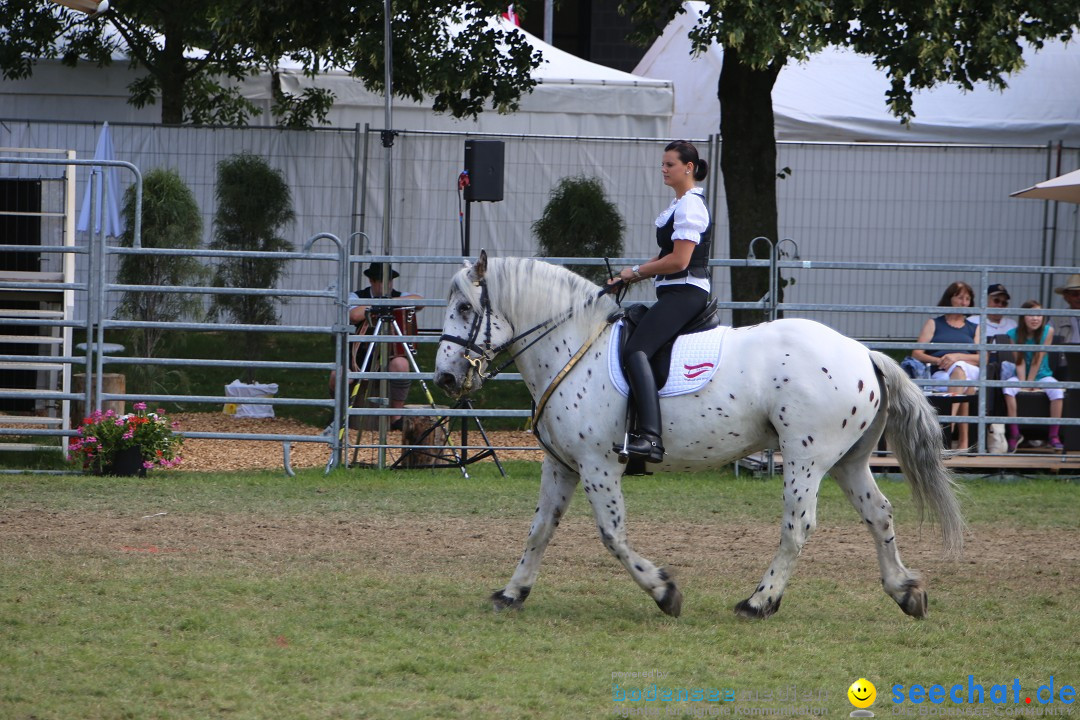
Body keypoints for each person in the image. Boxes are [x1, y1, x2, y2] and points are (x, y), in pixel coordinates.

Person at [606, 140, 712, 463]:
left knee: (636, 350)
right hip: (672, 292)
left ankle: (651, 437)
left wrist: (636, 271)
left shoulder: (690, 207)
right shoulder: (679, 205)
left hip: (687, 292)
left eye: (670, 165)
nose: (663, 170)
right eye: (662, 165)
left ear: (688, 168)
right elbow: (665, 256)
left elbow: (679, 261)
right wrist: (627, 277)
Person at [330, 262, 422, 430]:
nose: (387, 285)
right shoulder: (357, 296)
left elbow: (420, 301)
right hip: (358, 357)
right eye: (382, 281)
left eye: (389, 281)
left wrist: (389, 301)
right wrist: (378, 305)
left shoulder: (398, 296)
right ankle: (338, 416)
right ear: (372, 281)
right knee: (338, 375)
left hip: (389, 356)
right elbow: (355, 315)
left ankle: (396, 417)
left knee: (401, 365)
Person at [911, 281, 983, 449]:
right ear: (949, 299)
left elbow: (982, 358)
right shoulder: (934, 323)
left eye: (967, 298)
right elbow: (916, 353)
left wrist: (957, 357)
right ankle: (964, 443)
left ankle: (946, 431)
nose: (964, 302)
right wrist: (939, 360)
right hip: (942, 372)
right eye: (960, 297)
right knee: (967, 386)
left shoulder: (975, 327)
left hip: (969, 369)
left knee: (960, 369)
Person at [1003, 300, 1064, 452]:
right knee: (1008, 388)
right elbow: (1020, 361)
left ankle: (1054, 435)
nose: (1035, 318)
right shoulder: (1013, 334)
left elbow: (1038, 358)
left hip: (1042, 375)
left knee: (1057, 390)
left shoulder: (1048, 331)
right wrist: (1023, 383)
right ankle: (1014, 434)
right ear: (1023, 317)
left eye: (1039, 314)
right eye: (1031, 314)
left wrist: (1031, 382)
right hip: (1021, 375)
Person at [1052, 274, 1080, 344]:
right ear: (1066, 297)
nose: (1079, 298)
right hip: (1064, 355)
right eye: (1075, 294)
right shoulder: (1056, 320)